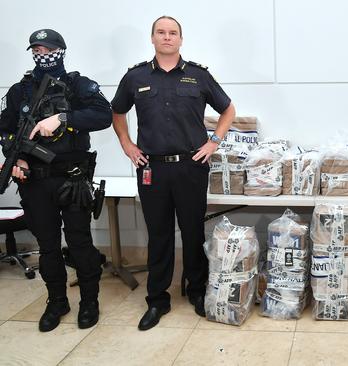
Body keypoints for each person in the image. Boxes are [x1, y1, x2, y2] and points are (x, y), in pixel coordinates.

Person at [111, 15, 235, 331]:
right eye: (161, 32)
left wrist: (213, 143)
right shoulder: (135, 76)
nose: (167, 37)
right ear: (153, 38)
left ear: (181, 39)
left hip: (191, 166)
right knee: (160, 233)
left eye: (173, 33)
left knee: (193, 231)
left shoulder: (198, 76)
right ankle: (157, 300)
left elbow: (228, 109)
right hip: (151, 167)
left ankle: (196, 292)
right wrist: (127, 144)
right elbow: (117, 111)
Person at [0, 29, 112, 331]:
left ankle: (90, 300)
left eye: (48, 48)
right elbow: (5, 129)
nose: (42, 53)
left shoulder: (79, 85)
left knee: (79, 243)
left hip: (72, 179)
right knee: (48, 246)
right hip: (35, 182)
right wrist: (17, 157)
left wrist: (63, 119)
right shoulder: (19, 91)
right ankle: (57, 300)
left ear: (60, 51)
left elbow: (104, 115)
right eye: (36, 49)